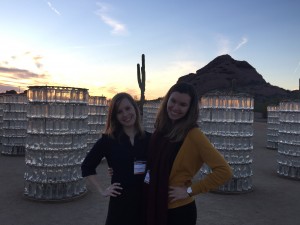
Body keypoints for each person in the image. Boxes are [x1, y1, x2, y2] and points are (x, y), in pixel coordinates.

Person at [144, 82, 233, 225]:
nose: (175, 108)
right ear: (167, 100)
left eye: (183, 105)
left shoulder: (194, 134)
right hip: (155, 201)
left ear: (190, 108)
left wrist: (190, 190)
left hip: (179, 210)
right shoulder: (161, 130)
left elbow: (225, 171)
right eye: (173, 101)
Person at [81, 92, 151, 225]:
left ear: (135, 108)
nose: (125, 114)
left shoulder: (149, 139)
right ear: (115, 116)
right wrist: (102, 190)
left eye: (128, 108)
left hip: (144, 201)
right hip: (120, 203)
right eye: (119, 112)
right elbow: (87, 166)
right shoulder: (108, 140)